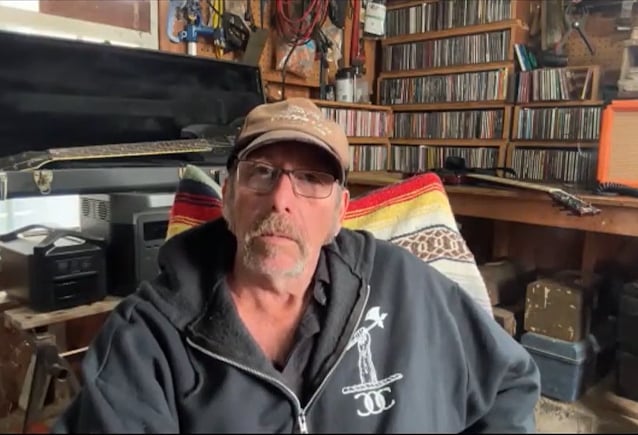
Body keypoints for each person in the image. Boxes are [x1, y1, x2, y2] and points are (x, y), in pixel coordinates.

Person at [52, 97, 540, 433]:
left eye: (311, 179)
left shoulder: (406, 287)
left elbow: (510, 383)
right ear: (228, 197)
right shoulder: (147, 337)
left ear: (340, 212)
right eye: (262, 172)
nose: (281, 199)